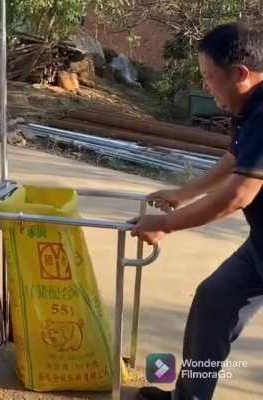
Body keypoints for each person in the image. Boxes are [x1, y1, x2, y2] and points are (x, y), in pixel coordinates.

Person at [131, 23, 263, 400]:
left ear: (240, 73)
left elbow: (239, 194)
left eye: (208, 76)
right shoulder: (249, 105)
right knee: (214, 301)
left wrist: (166, 225)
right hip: (260, 248)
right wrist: (182, 193)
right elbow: (237, 157)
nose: (205, 85)